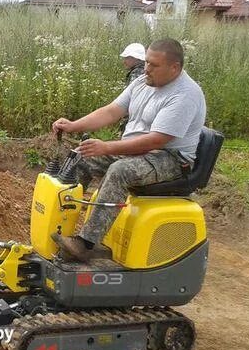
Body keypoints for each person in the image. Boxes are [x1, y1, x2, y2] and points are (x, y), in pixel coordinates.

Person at [50, 38, 206, 262]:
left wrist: (106, 147)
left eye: (154, 65)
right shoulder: (144, 82)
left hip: (170, 158)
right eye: (147, 62)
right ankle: (61, 223)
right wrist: (74, 125)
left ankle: (85, 244)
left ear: (175, 68)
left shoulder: (185, 95)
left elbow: (156, 140)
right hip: (140, 149)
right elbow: (111, 111)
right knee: (81, 158)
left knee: (120, 170)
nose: (146, 68)